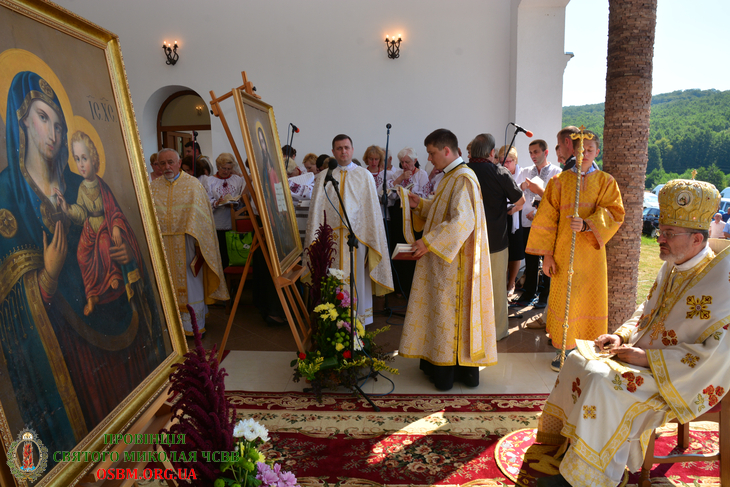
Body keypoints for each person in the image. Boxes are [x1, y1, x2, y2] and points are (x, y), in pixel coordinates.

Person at [0, 72, 166, 455]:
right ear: (22, 120)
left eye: (59, 124)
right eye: (43, 118)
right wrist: (47, 277)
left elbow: (123, 232)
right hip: (65, 349)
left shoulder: (83, 185)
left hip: (111, 319)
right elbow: (9, 308)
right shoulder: (7, 195)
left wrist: (128, 255)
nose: (53, 133)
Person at [535, 179, 730, 487]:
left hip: (680, 376)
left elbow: (718, 354)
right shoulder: (675, 263)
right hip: (645, 357)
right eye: (661, 230)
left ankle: (587, 478)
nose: (659, 237)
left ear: (697, 238)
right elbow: (647, 310)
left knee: (603, 381)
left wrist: (647, 359)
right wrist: (622, 337)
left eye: (669, 233)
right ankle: (574, 448)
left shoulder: (722, 282)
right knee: (576, 359)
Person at [399, 129, 497, 391]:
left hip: (455, 266)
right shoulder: (450, 176)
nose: (429, 159)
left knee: (447, 314)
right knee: (439, 313)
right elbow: (443, 211)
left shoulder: (463, 178)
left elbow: (462, 221)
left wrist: (428, 242)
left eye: (432, 153)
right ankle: (437, 366)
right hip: (444, 260)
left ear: (446, 150)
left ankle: (449, 373)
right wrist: (421, 204)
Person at [526, 131, 625, 371]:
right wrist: (547, 255)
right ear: (574, 151)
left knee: (588, 300)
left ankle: (588, 349)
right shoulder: (559, 182)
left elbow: (615, 213)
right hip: (563, 252)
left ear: (597, 152)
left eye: (590, 150)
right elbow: (546, 219)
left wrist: (588, 224)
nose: (585, 154)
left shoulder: (606, 181)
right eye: (581, 150)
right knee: (565, 300)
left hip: (591, 255)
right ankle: (564, 350)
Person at [303, 134, 393, 325]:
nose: (343, 151)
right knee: (331, 276)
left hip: (357, 238)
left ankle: (359, 321)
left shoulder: (364, 175)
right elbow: (316, 211)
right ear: (333, 151)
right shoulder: (323, 177)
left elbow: (372, 212)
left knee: (357, 278)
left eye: (346, 147)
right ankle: (332, 320)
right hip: (330, 239)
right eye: (339, 148)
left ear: (352, 150)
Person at [55, 131, 145, 316]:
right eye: (77, 159)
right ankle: (92, 294)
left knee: (105, 244)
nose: (81, 164)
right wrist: (67, 208)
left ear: (94, 159)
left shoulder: (102, 185)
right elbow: (81, 212)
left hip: (104, 225)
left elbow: (114, 210)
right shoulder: (81, 187)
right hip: (89, 228)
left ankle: (113, 276)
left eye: (85, 158)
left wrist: (116, 228)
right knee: (81, 255)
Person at [150, 148, 229, 335]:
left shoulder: (193, 185)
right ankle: (169, 328)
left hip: (188, 243)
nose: (167, 167)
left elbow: (203, 219)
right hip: (161, 244)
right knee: (164, 284)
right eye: (162, 163)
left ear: (179, 163)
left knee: (191, 283)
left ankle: (192, 326)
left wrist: (199, 242)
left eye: (170, 162)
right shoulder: (153, 188)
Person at [467, 134, 524, 341]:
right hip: (495, 241)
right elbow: (520, 200)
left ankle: (471, 331)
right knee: (497, 289)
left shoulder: (462, 172)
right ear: (492, 152)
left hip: (468, 240)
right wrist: (509, 210)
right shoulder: (499, 172)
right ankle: (497, 332)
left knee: (470, 288)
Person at [516, 139, 562, 309]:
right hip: (527, 223)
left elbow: (557, 199)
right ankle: (529, 293)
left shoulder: (557, 172)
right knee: (530, 261)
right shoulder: (526, 171)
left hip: (547, 224)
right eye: (530, 152)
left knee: (547, 260)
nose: (533, 155)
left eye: (536, 152)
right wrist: (522, 185)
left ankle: (545, 296)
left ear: (546, 152)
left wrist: (536, 213)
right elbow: (516, 190)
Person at [388, 147, 430, 295]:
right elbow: (389, 196)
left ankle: (413, 287)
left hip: (414, 215)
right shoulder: (397, 174)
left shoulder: (422, 174)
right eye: (402, 162)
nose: (404, 165)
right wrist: (400, 179)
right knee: (398, 248)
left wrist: (411, 194)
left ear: (415, 161)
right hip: (399, 215)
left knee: (412, 248)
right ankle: (400, 287)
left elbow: (425, 196)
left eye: (407, 162)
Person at [205, 152, 246, 269]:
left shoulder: (237, 179)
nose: (226, 171)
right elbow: (206, 200)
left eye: (229, 169)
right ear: (218, 166)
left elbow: (242, 198)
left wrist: (235, 203)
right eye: (223, 168)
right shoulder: (210, 181)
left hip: (234, 221)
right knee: (221, 253)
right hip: (218, 222)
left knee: (234, 251)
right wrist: (216, 203)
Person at [498, 145, 526, 298]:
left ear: (515, 160)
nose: (505, 164)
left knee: (515, 251)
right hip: (502, 215)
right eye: (502, 161)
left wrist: (515, 208)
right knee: (502, 249)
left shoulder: (523, 173)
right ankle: (502, 281)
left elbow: (526, 198)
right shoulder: (499, 172)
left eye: (508, 161)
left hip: (517, 217)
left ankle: (512, 282)